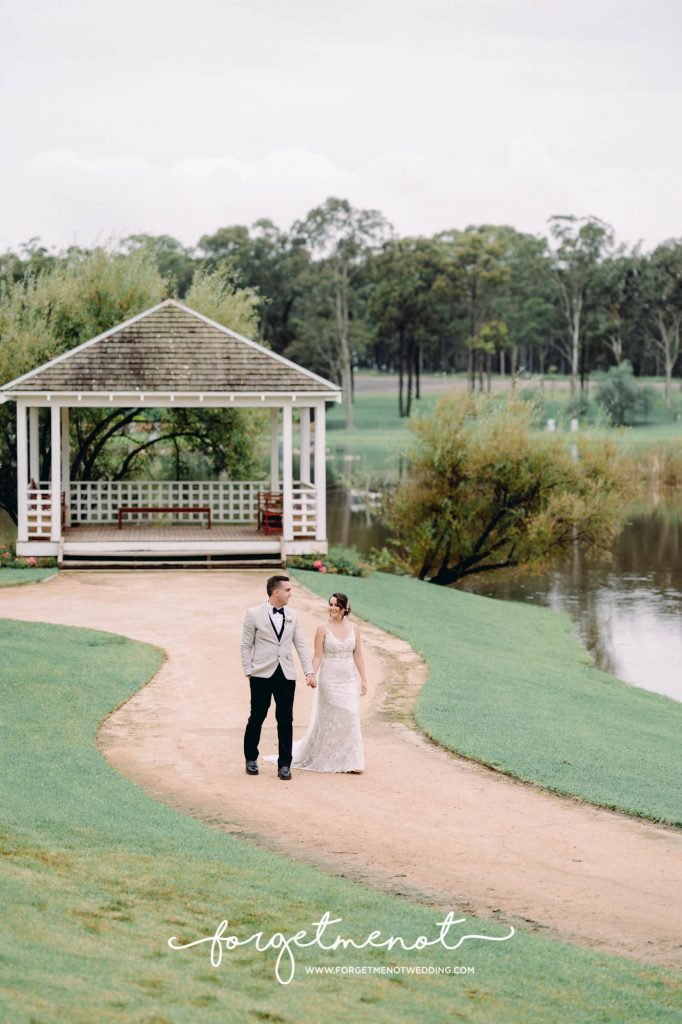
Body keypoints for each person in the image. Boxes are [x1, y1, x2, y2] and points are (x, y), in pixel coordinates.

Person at [240, 575, 316, 781]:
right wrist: (249, 670)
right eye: (288, 590)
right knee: (257, 716)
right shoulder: (253, 614)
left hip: (286, 674)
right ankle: (251, 759)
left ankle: (284, 765)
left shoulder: (293, 615)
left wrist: (309, 671)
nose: (291, 593)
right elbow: (246, 645)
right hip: (261, 674)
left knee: (285, 719)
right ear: (276, 592)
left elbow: (300, 644)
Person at [287, 592, 368, 773]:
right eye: (330, 604)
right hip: (329, 679)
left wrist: (364, 679)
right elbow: (317, 656)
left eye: (336, 605)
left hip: (348, 678)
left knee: (351, 715)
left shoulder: (355, 629)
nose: (332, 608)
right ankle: (329, 756)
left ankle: (352, 761)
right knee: (331, 718)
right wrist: (311, 674)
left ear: (345, 608)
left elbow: (358, 655)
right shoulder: (322, 629)